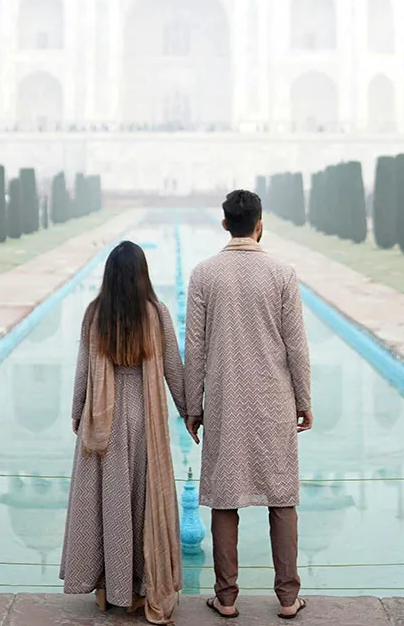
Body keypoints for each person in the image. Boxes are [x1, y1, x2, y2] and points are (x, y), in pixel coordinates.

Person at [185, 189, 312, 620]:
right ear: (260, 223)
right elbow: (296, 346)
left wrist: (191, 404)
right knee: (281, 498)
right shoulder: (282, 273)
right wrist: (304, 399)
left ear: (225, 224)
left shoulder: (205, 273)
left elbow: (195, 347)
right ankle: (288, 598)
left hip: (224, 401)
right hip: (273, 400)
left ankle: (226, 598)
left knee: (226, 498)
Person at [61, 241, 186, 625]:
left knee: (108, 506)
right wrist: (190, 413)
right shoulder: (156, 314)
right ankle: (136, 588)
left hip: (104, 418)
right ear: (142, 275)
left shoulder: (95, 314)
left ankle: (106, 589)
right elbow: (174, 372)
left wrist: (77, 412)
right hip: (144, 418)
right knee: (141, 507)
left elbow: (84, 368)